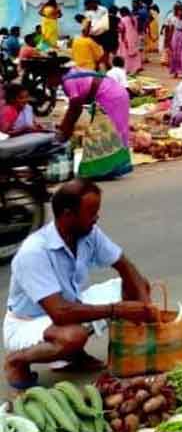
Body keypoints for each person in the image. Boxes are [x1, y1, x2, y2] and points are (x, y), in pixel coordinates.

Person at [3, 179, 155, 389]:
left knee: (136, 286)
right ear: (68, 215)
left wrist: (146, 307)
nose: (97, 218)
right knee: (73, 335)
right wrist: (116, 310)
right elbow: (60, 313)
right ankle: (17, 360)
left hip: (69, 306)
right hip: (28, 323)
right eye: (91, 212)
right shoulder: (34, 252)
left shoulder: (88, 233)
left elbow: (125, 266)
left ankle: (75, 356)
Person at [48, 65, 132, 179]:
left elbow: (75, 108)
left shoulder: (68, 81)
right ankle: (110, 168)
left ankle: (106, 169)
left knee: (107, 133)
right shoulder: (72, 72)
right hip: (115, 93)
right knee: (110, 132)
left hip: (111, 97)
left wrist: (64, 130)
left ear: (53, 75)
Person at [117, 7, 142, 75]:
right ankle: (136, 68)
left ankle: (127, 69)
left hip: (126, 38)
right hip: (134, 37)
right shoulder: (134, 18)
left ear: (123, 13)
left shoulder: (123, 19)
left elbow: (121, 29)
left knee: (126, 55)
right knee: (135, 54)